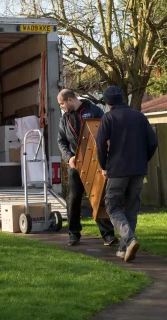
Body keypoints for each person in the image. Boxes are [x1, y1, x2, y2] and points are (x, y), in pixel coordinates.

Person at [96, 86, 158, 262]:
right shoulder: (139, 116)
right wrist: (143, 160)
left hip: (117, 170)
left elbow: (100, 145)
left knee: (112, 205)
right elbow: (153, 142)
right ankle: (124, 249)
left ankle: (130, 240)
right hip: (138, 169)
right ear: (123, 99)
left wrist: (104, 166)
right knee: (132, 207)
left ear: (108, 103)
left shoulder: (108, 118)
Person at [57, 89, 118, 246]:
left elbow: (106, 131)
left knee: (98, 196)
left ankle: (108, 235)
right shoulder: (64, 119)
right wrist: (69, 157)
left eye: (62, 103)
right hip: (76, 164)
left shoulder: (94, 110)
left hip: (97, 161)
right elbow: (61, 141)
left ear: (70, 100)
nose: (61, 107)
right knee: (73, 198)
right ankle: (73, 234)